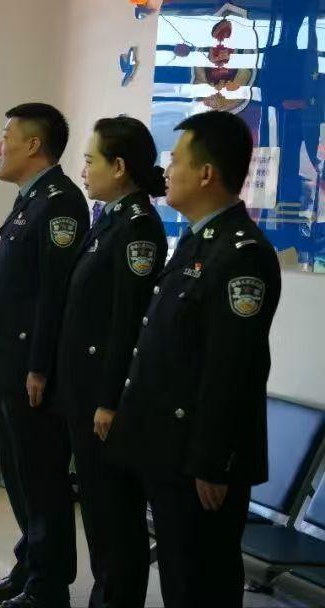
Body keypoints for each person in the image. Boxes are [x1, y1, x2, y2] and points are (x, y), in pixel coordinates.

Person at [106, 111, 281, 608]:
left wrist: (212, 461)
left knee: (200, 584)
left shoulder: (241, 253)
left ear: (206, 173)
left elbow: (233, 367)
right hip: (169, 450)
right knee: (181, 580)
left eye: (176, 160)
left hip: (199, 460)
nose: (167, 171)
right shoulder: (199, 240)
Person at [0, 103, 89, 608]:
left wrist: (40, 366)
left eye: (7, 137)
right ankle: (31, 566)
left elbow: (53, 295)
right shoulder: (31, 201)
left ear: (34, 145)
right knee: (20, 475)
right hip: (11, 366)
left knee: (42, 479)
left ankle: (48, 585)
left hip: (31, 371)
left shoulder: (60, 203)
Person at [51, 116, 167, 608]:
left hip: (105, 397)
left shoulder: (138, 229)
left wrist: (108, 399)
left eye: (90, 160)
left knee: (115, 516)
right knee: (98, 510)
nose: (83, 171)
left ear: (118, 167)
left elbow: (127, 323)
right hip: (84, 391)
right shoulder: (110, 219)